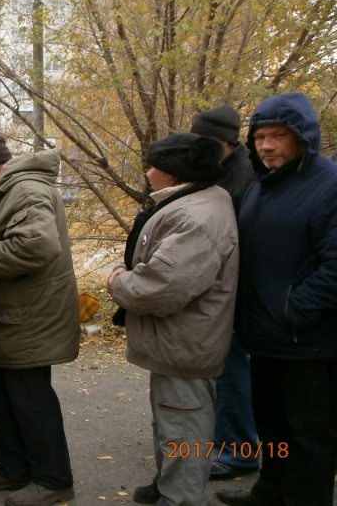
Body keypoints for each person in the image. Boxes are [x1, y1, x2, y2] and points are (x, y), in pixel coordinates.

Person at [216, 93, 337, 506]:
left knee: (310, 435)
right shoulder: (262, 185)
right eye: (261, 136)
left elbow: (335, 265)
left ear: (303, 136)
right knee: (273, 426)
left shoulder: (329, 184)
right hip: (264, 335)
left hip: (308, 340)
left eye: (278, 136)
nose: (267, 145)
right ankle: (270, 491)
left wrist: (295, 310)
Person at [108, 133, 239, 506]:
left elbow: (160, 288)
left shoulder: (195, 216)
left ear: (174, 173)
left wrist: (118, 280)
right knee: (173, 420)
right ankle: (169, 481)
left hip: (185, 340)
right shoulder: (198, 201)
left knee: (183, 426)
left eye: (154, 167)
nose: (148, 173)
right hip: (179, 339)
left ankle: (179, 496)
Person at [0, 131, 79, 506]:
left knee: (31, 401)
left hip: (27, 322)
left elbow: (36, 245)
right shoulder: (12, 191)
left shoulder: (26, 191)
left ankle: (55, 481)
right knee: (7, 397)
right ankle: (13, 468)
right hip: (10, 318)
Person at [189, 105, 259, 480]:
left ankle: (239, 450)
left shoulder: (242, 179)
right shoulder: (225, 173)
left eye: (203, 140)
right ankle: (228, 442)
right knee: (226, 372)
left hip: (235, 293)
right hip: (227, 291)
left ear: (224, 142)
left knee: (232, 373)